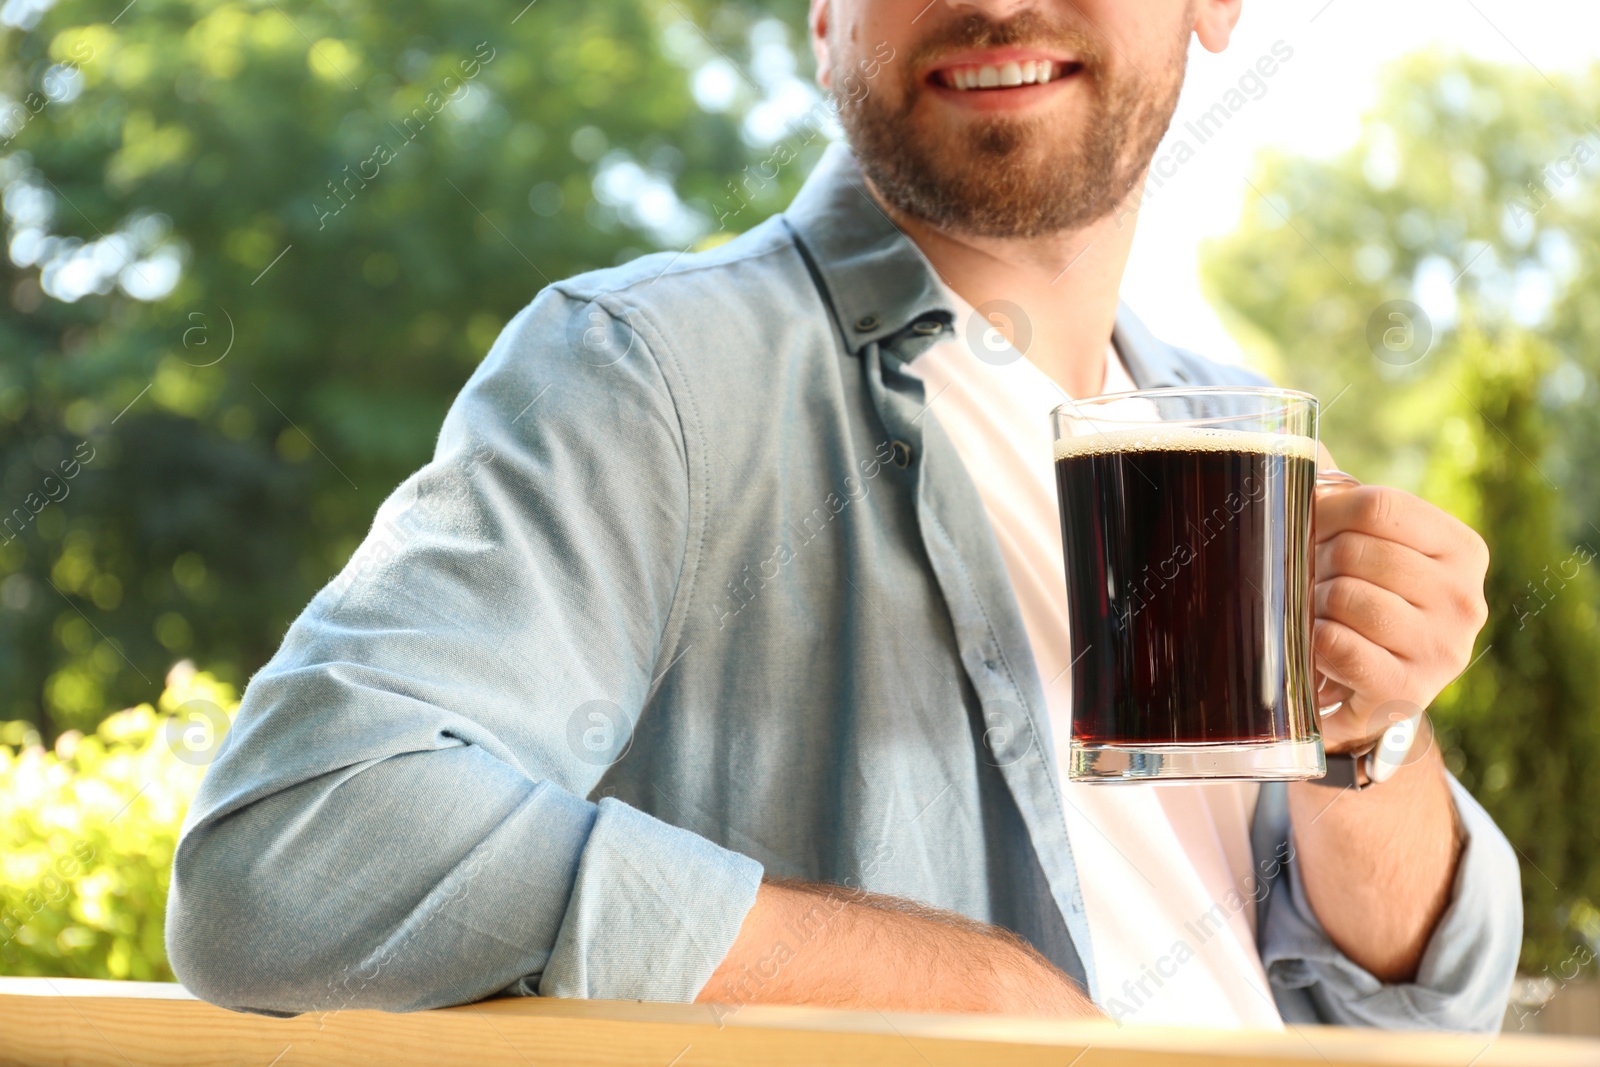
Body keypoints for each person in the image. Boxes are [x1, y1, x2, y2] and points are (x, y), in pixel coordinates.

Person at [166, 0, 1521, 1030]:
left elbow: (1413, 1004)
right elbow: (290, 854)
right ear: (825, 17)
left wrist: (1373, 736)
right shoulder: (654, 377)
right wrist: (964, 993)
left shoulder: (1231, 429)